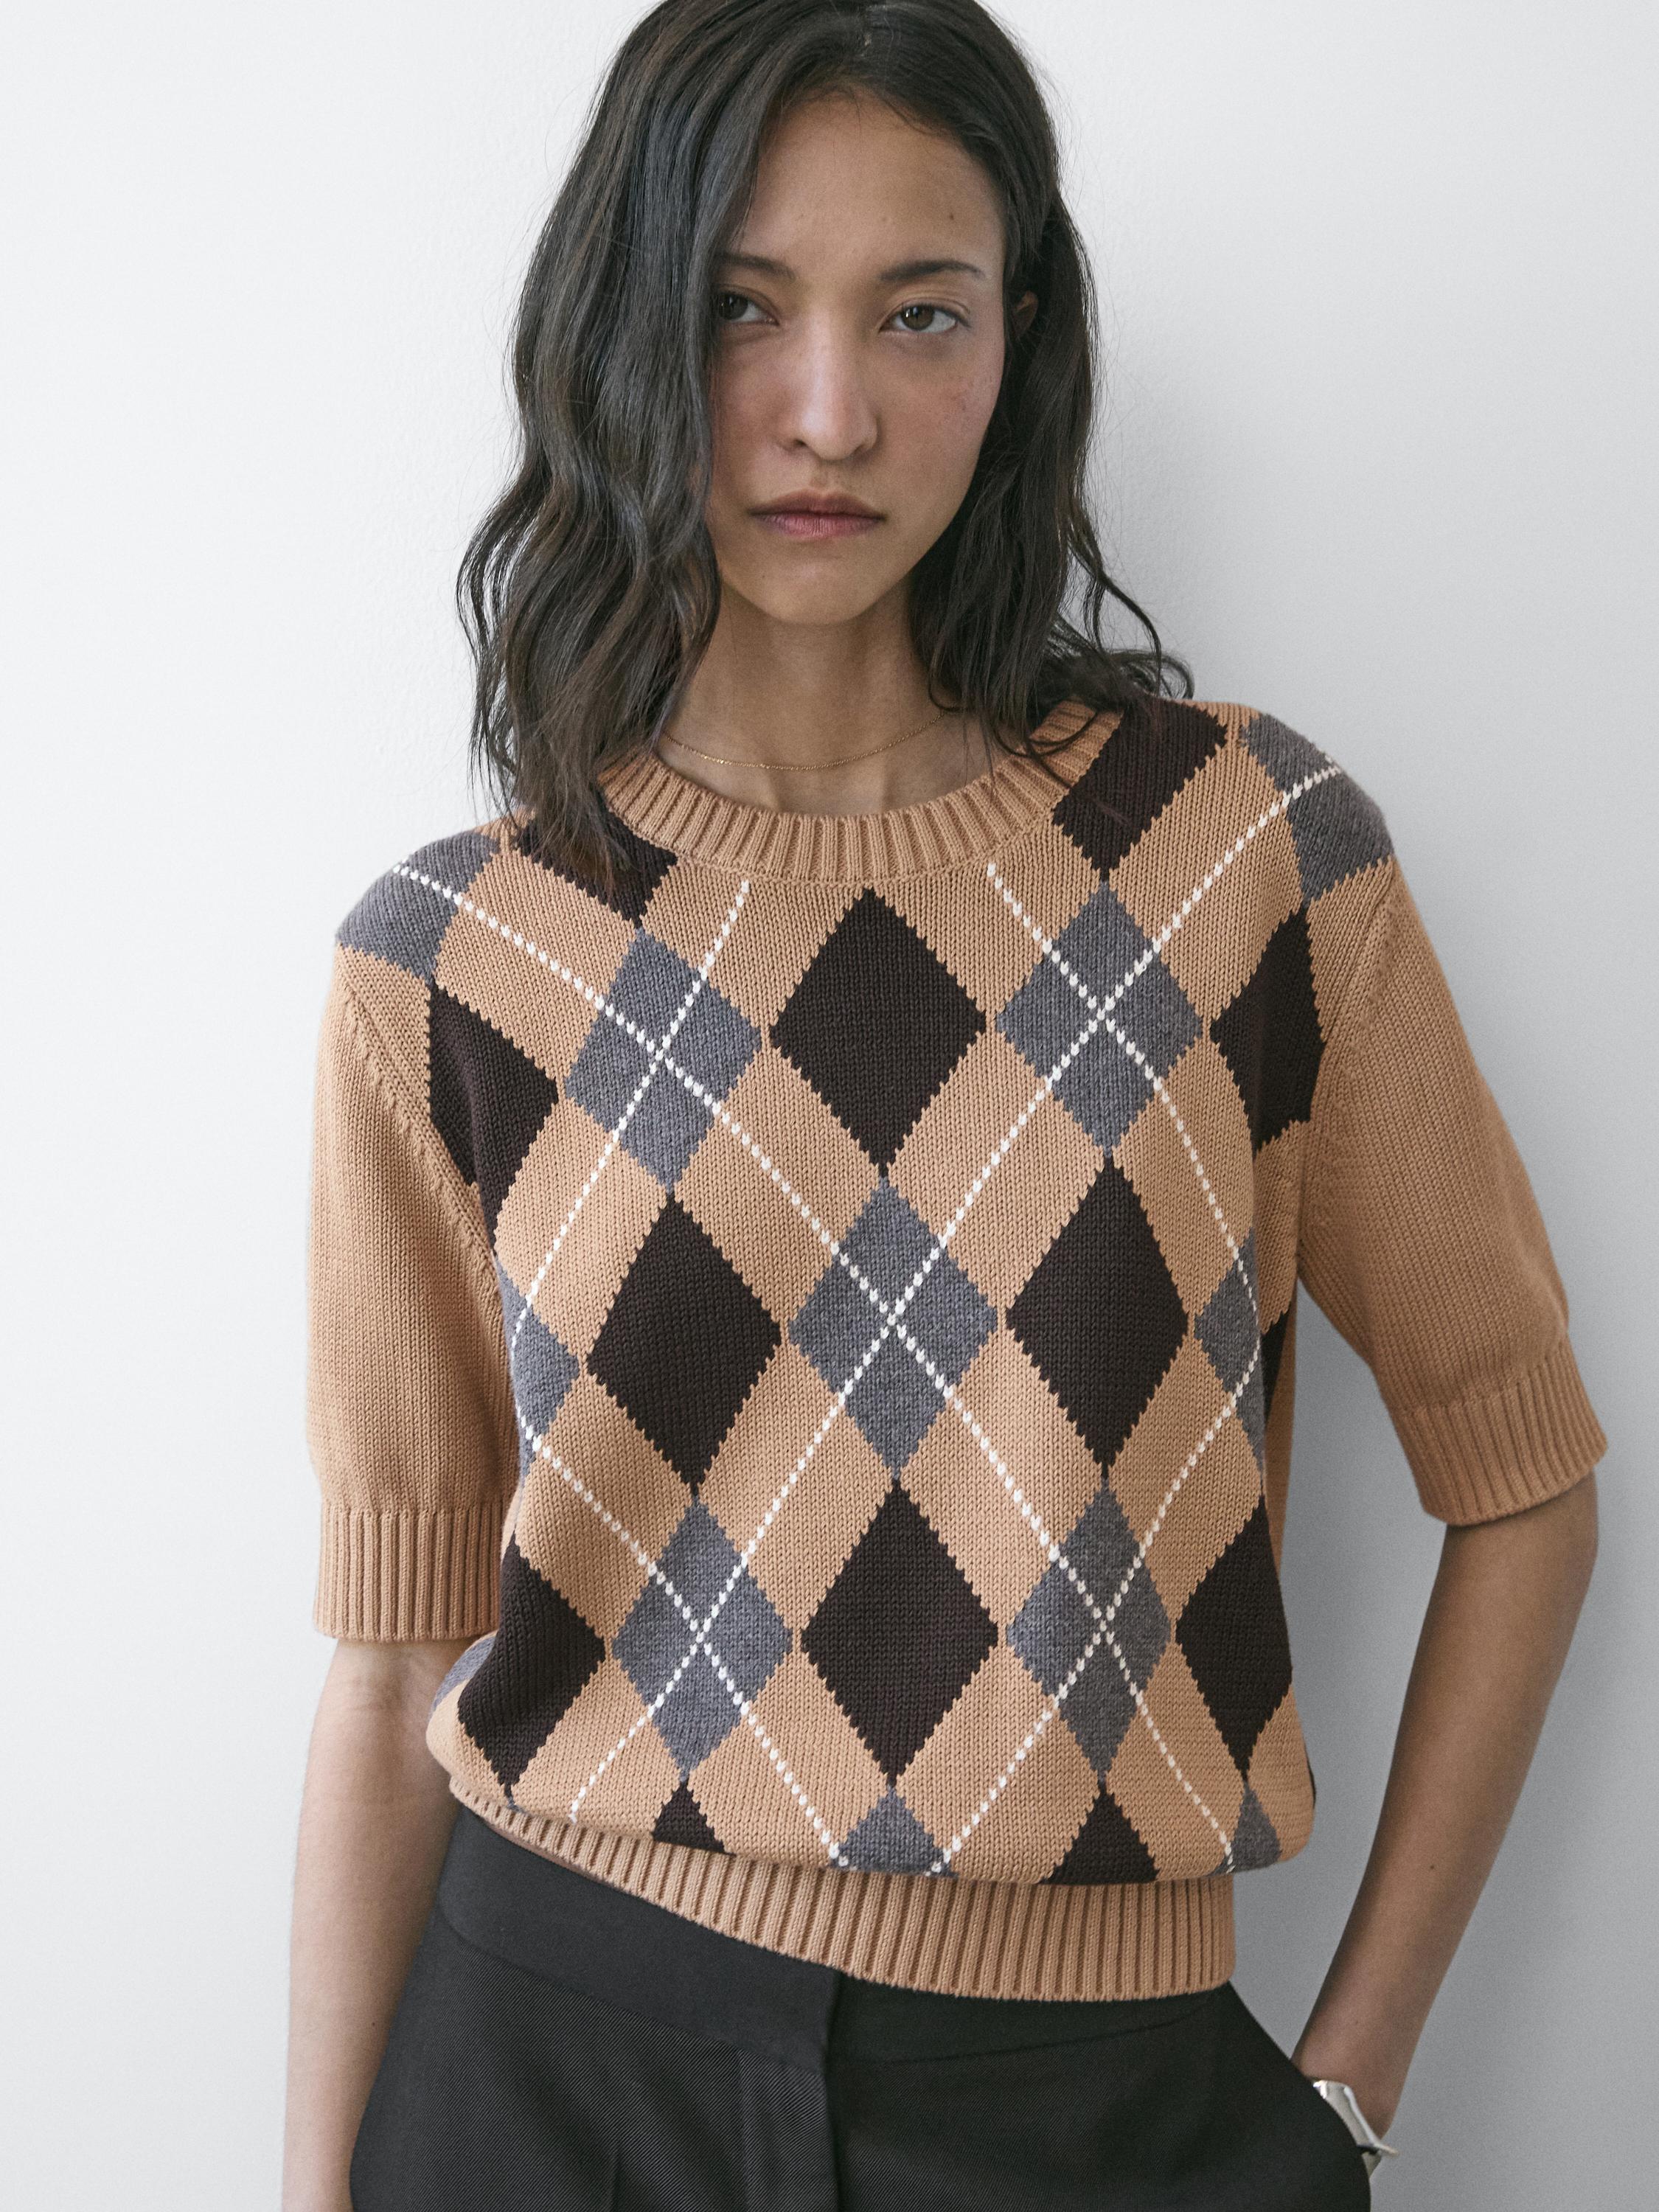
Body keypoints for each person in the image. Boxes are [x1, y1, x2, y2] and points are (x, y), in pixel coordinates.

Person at [281, 4, 1606, 2207]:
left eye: (921, 314)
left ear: (1019, 349)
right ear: (618, 332)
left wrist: (1348, 2094)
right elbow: (391, 1664)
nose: (828, 415)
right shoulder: (450, 965)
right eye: (739, 310)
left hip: (1102, 2112)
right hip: (545, 2068)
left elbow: (1524, 1485)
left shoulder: (1244, 859)